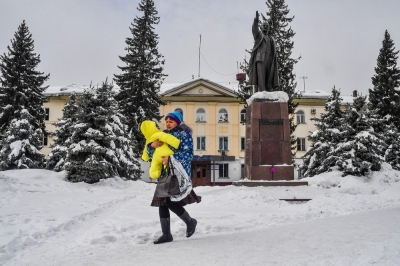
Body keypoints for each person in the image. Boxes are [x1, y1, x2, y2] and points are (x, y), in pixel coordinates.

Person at [145, 111, 201, 244]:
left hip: (177, 173)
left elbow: (188, 154)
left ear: (178, 122)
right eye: (167, 121)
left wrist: (170, 159)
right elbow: (153, 154)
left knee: (170, 201)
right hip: (164, 173)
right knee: (162, 202)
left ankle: (190, 222)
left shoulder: (184, 135)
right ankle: (166, 234)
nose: (168, 123)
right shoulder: (163, 135)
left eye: (171, 121)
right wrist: (151, 146)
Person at [247, 11, 279, 92]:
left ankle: (268, 91)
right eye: (263, 25)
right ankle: (262, 92)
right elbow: (254, 29)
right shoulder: (259, 36)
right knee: (261, 78)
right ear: (261, 27)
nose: (265, 27)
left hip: (269, 60)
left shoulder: (271, 39)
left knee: (269, 77)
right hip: (260, 59)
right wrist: (256, 21)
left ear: (268, 28)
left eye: (266, 26)